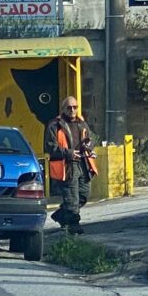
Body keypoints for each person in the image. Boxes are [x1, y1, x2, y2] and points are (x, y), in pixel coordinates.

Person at [44, 96, 98, 234]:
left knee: (84, 195)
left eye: (75, 107)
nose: (72, 110)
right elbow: (50, 146)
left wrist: (88, 146)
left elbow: (91, 139)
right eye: (69, 107)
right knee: (72, 198)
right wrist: (68, 153)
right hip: (67, 166)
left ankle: (61, 215)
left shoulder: (82, 123)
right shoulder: (55, 125)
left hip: (83, 164)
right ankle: (73, 225)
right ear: (63, 109)